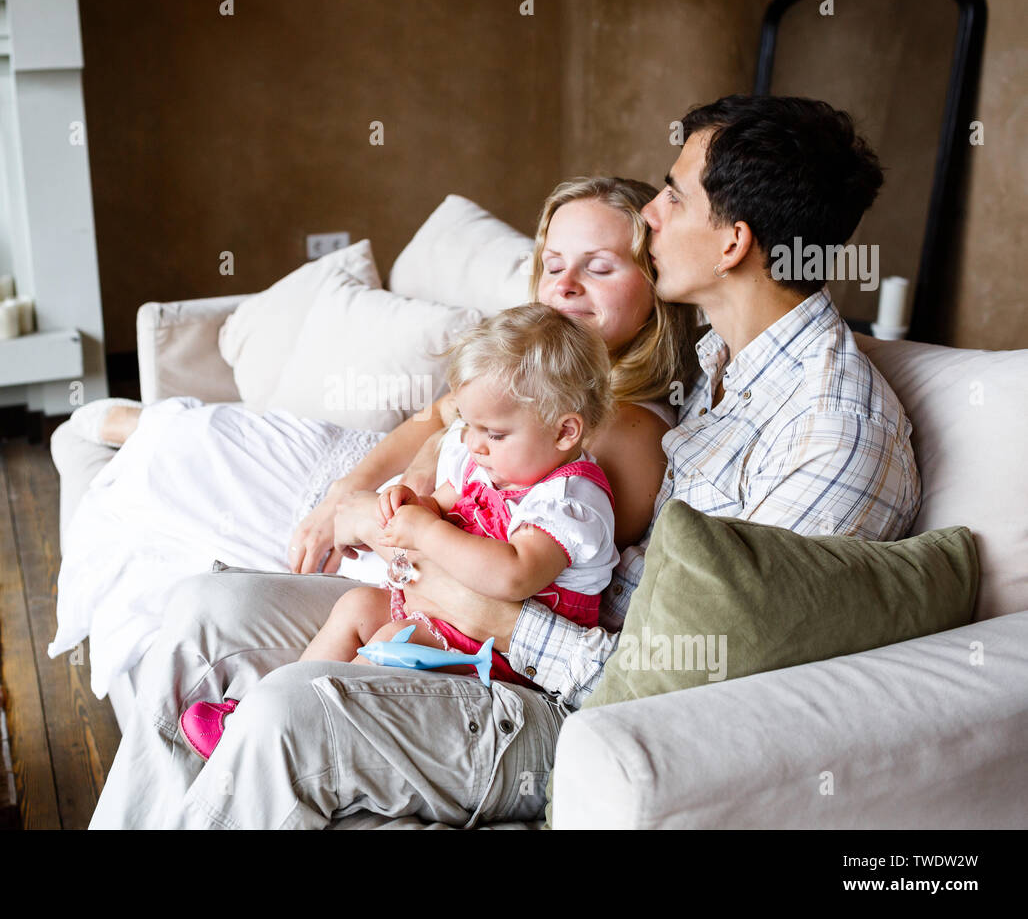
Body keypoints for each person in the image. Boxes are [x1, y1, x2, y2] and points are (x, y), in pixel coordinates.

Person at [122, 93, 921, 830]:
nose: (650, 211)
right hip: (501, 631)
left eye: (674, 196)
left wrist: (494, 612)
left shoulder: (830, 434)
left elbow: (702, 691)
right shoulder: (723, 362)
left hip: (576, 716)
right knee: (204, 612)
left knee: (293, 710)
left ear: (734, 240)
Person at [84, 175, 697, 827]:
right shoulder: (523, 372)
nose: (566, 285)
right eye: (553, 265)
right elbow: (434, 424)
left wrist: (409, 521)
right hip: (409, 554)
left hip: (483, 641)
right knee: (203, 605)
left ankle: (137, 428)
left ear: (655, 284)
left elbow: (516, 579)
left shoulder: (618, 436)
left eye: (598, 268)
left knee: (293, 688)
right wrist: (359, 494)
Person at [178, 305, 624, 758]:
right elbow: (451, 499)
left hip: (504, 663)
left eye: (493, 432)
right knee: (356, 606)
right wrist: (416, 504)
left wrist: (428, 533)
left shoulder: (570, 500)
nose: (472, 444)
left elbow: (513, 575)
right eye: (468, 426)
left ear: (565, 431)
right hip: (449, 623)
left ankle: (298, 725)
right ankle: (260, 709)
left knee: (389, 641)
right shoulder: (499, 466)